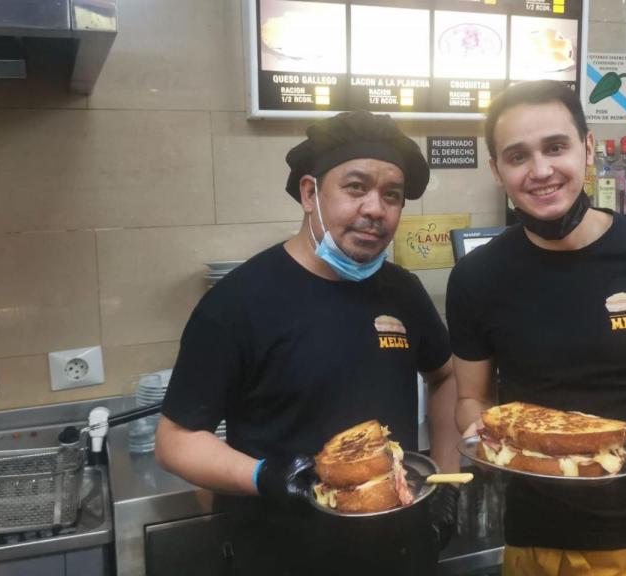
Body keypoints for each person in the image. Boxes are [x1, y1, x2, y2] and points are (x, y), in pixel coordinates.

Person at [155, 110, 462, 576]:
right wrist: (265, 477)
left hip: (400, 551)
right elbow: (176, 441)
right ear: (309, 193)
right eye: (355, 187)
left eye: (391, 195)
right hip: (284, 553)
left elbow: (445, 376)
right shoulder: (239, 302)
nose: (375, 209)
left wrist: (444, 484)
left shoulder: (403, 291)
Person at [446, 80, 626, 575]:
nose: (541, 171)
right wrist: (477, 426)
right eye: (517, 156)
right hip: (540, 541)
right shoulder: (475, 278)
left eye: (556, 147)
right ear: (497, 171)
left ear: (588, 147)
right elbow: (473, 396)